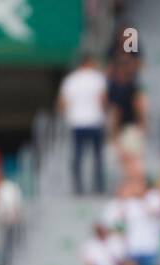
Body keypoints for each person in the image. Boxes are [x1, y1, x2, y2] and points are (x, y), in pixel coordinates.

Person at [59, 53, 108, 194]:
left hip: (77, 122)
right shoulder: (98, 78)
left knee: (78, 157)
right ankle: (99, 187)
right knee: (97, 157)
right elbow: (103, 100)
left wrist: (69, 115)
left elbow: (63, 103)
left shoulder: (70, 80)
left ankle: (78, 187)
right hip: (95, 121)